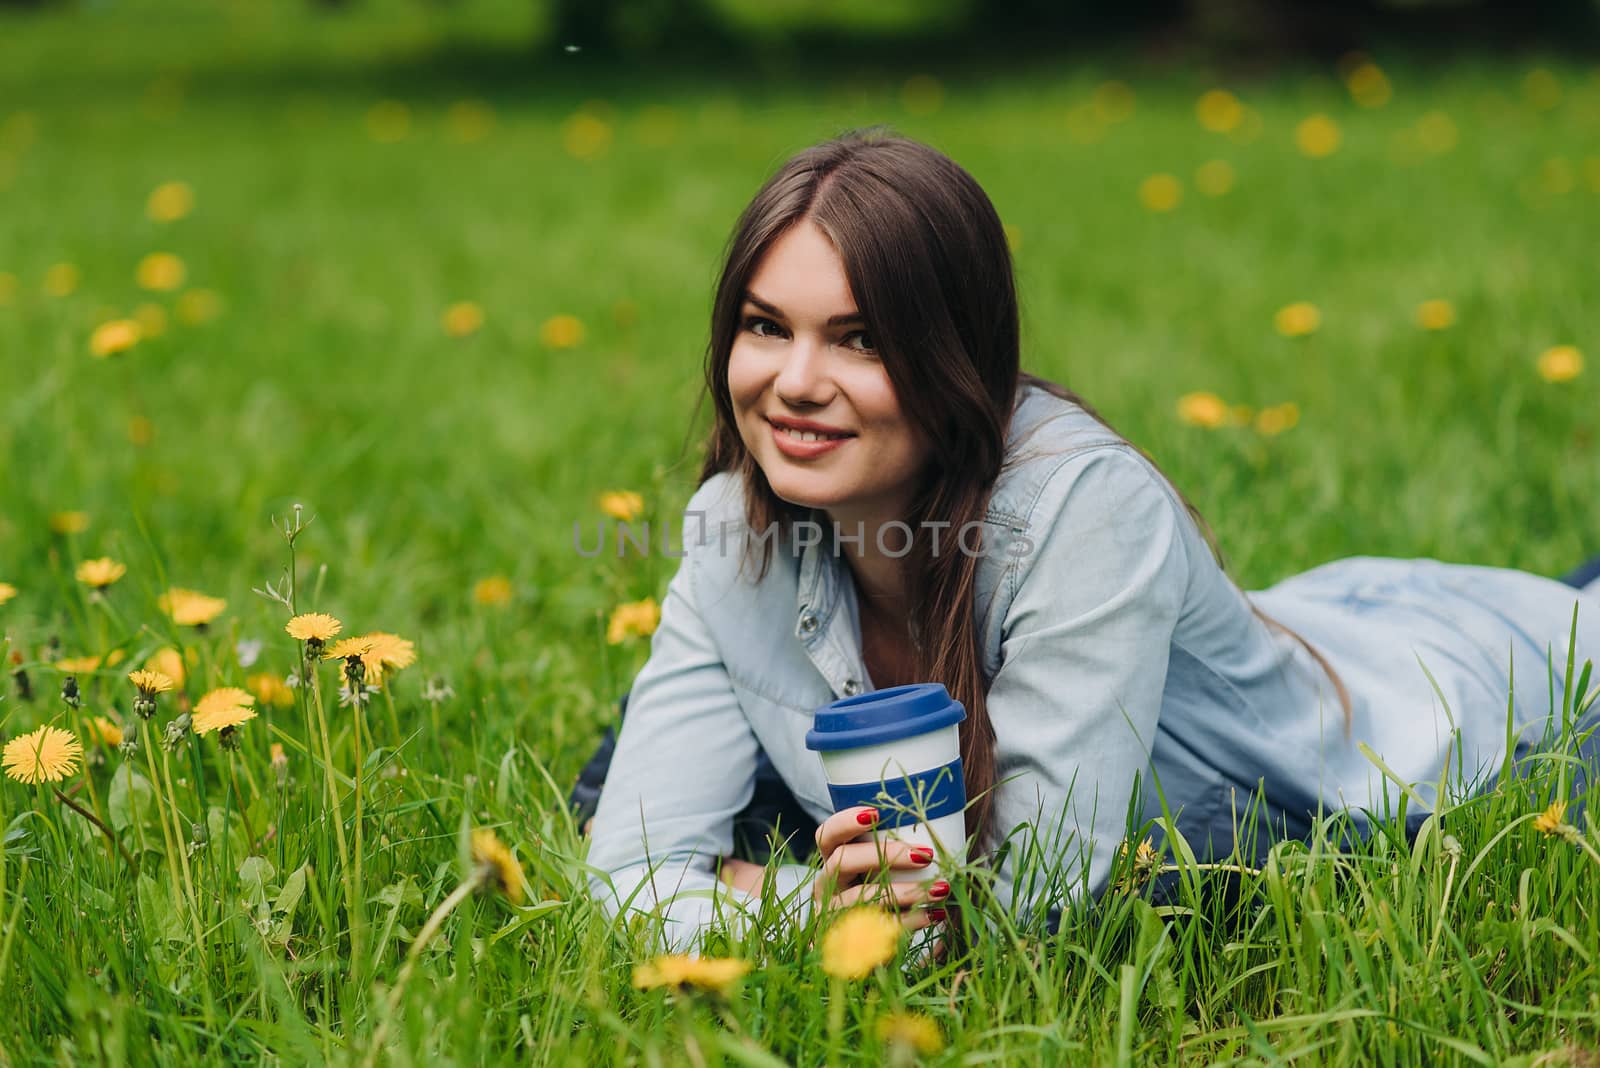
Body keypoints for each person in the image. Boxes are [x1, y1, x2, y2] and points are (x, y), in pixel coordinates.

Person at [576, 125, 1600, 956]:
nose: (794, 382)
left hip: (1464, 712)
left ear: (952, 356)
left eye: (859, 338)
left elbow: (1032, 914)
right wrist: (814, 912)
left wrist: (759, 895)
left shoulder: (1083, 508)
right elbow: (625, 879)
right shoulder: (729, 530)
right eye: (765, 326)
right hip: (1320, 623)